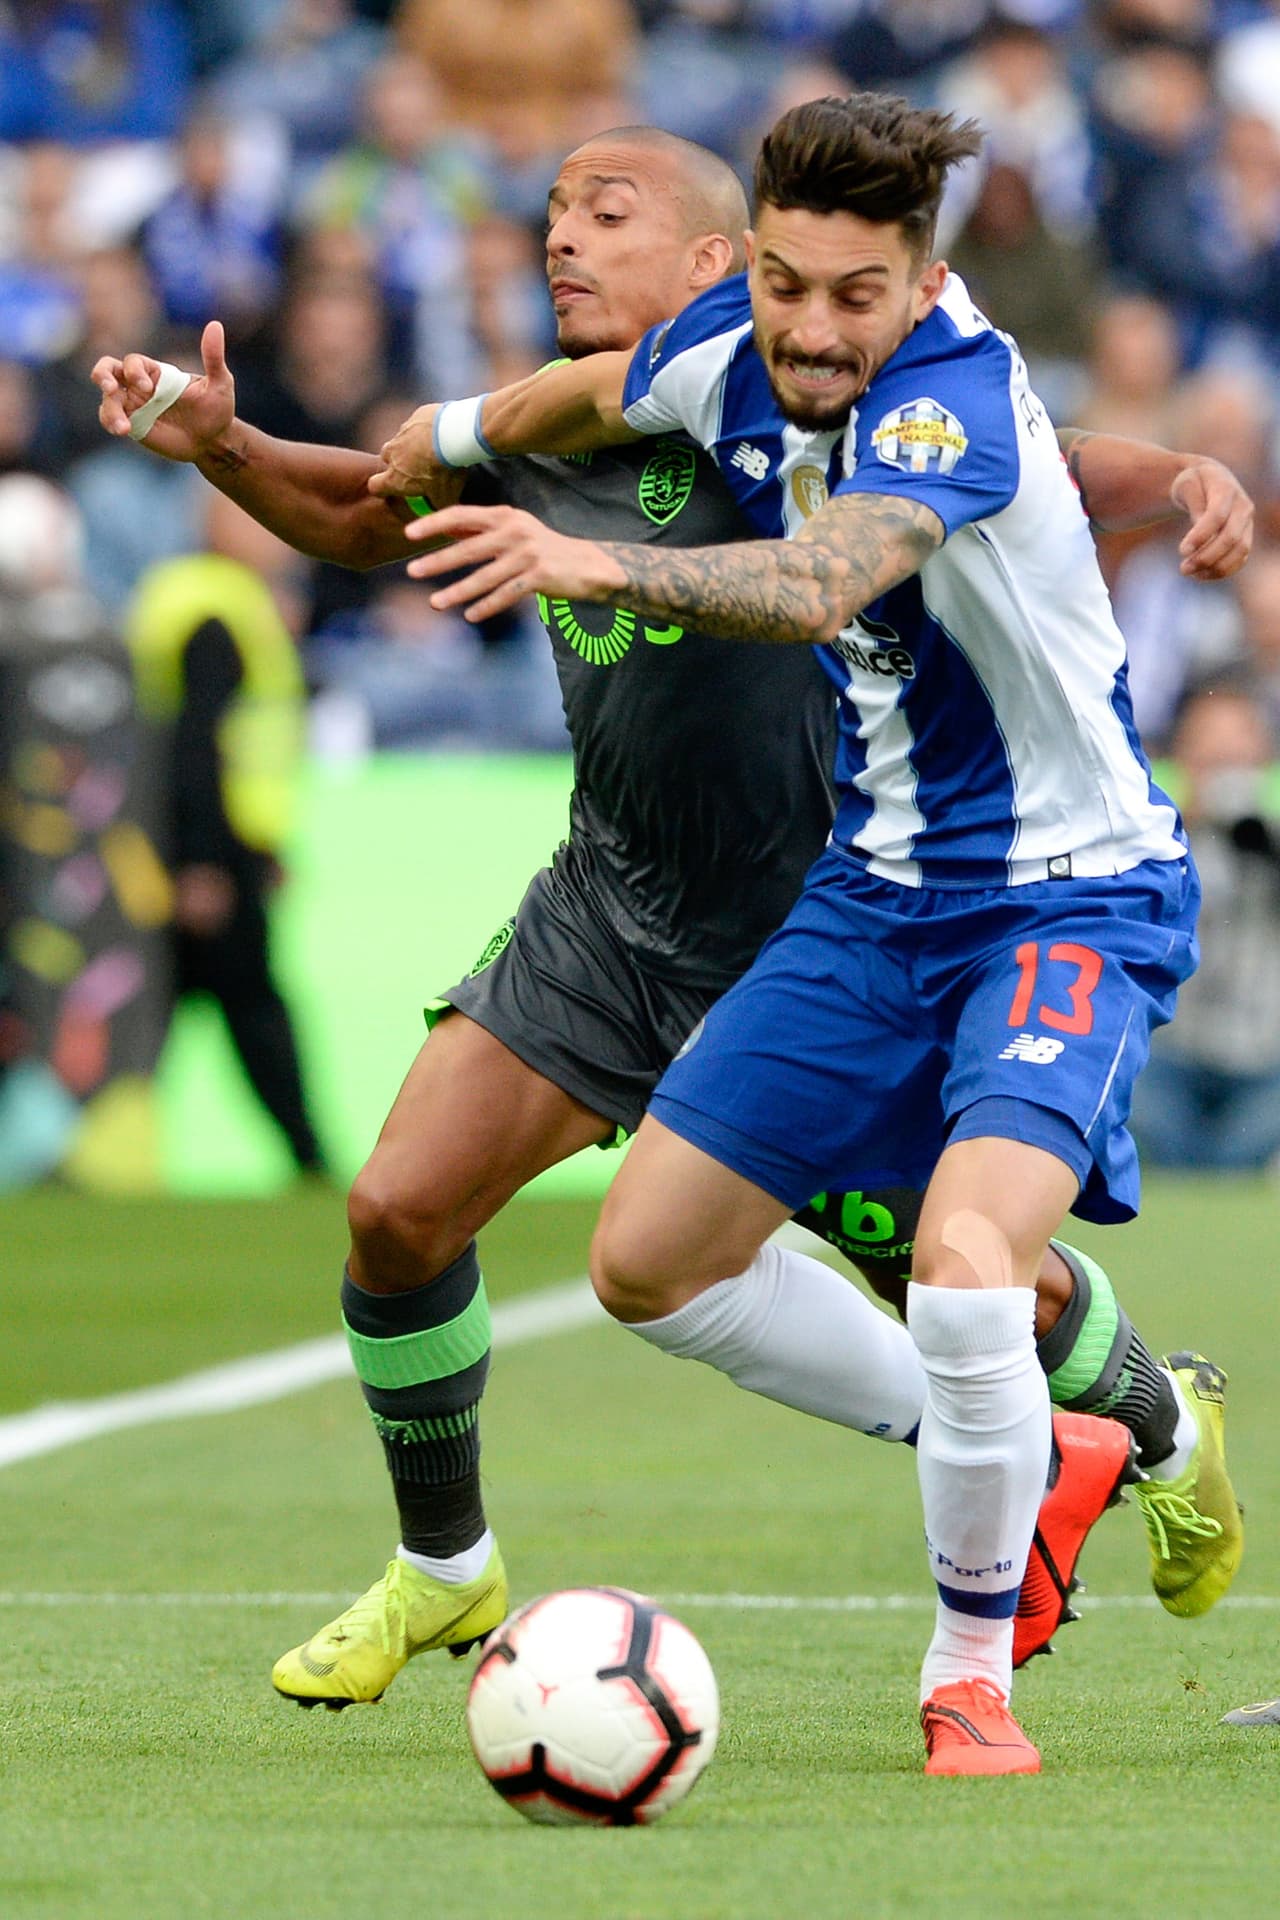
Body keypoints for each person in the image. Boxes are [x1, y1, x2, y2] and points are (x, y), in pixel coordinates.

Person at [94, 123, 1247, 1730]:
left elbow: (995, 484)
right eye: (554, 209)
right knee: (398, 1213)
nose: (562, 235)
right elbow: (374, 511)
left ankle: (1157, 1430)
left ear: (713, 257)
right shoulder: (640, 381)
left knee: (975, 1278)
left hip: (828, 902)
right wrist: (224, 443)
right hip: (620, 901)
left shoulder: (837, 384)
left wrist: (1183, 476)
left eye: (607, 210)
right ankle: (448, 1566)